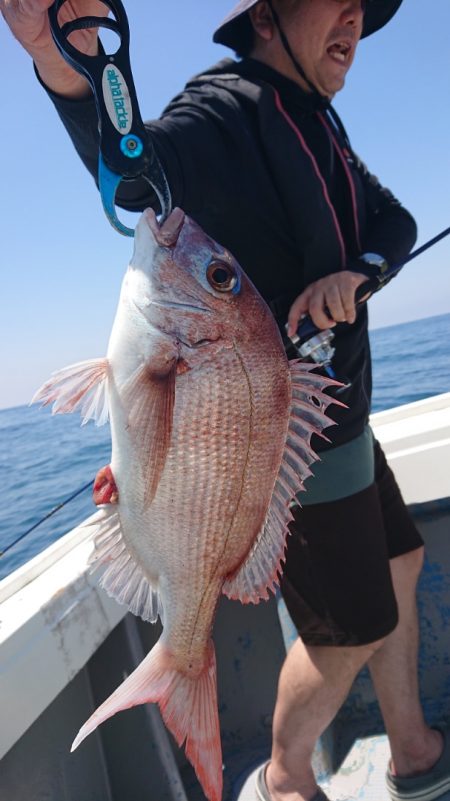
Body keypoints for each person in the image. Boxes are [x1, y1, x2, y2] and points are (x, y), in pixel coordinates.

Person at [3, 2, 450, 800]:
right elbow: (135, 162)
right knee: (351, 629)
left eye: (362, 9)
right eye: (333, 3)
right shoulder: (222, 110)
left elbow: (395, 218)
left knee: (406, 558)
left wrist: (362, 271)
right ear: (268, 17)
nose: (352, 21)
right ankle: (284, 778)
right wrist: (62, 62)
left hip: (342, 419)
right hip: (281, 453)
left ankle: (412, 747)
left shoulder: (321, 121)